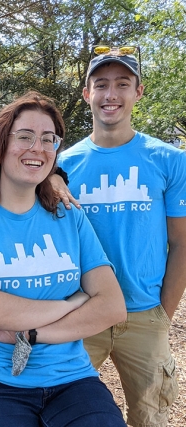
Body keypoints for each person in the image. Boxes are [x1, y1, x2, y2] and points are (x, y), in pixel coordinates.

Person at [0, 91, 127, 426]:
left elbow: (112, 306)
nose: (37, 148)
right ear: (0, 145)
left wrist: (30, 334)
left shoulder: (70, 217)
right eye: (24, 136)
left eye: (48, 139)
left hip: (71, 378)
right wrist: (73, 302)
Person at [56, 46, 186, 426]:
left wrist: (164, 313)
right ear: (87, 94)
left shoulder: (169, 160)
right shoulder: (62, 165)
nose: (110, 94)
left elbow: (181, 242)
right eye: (101, 85)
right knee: (64, 412)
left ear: (138, 92)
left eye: (122, 84)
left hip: (146, 315)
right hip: (82, 312)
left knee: (151, 418)